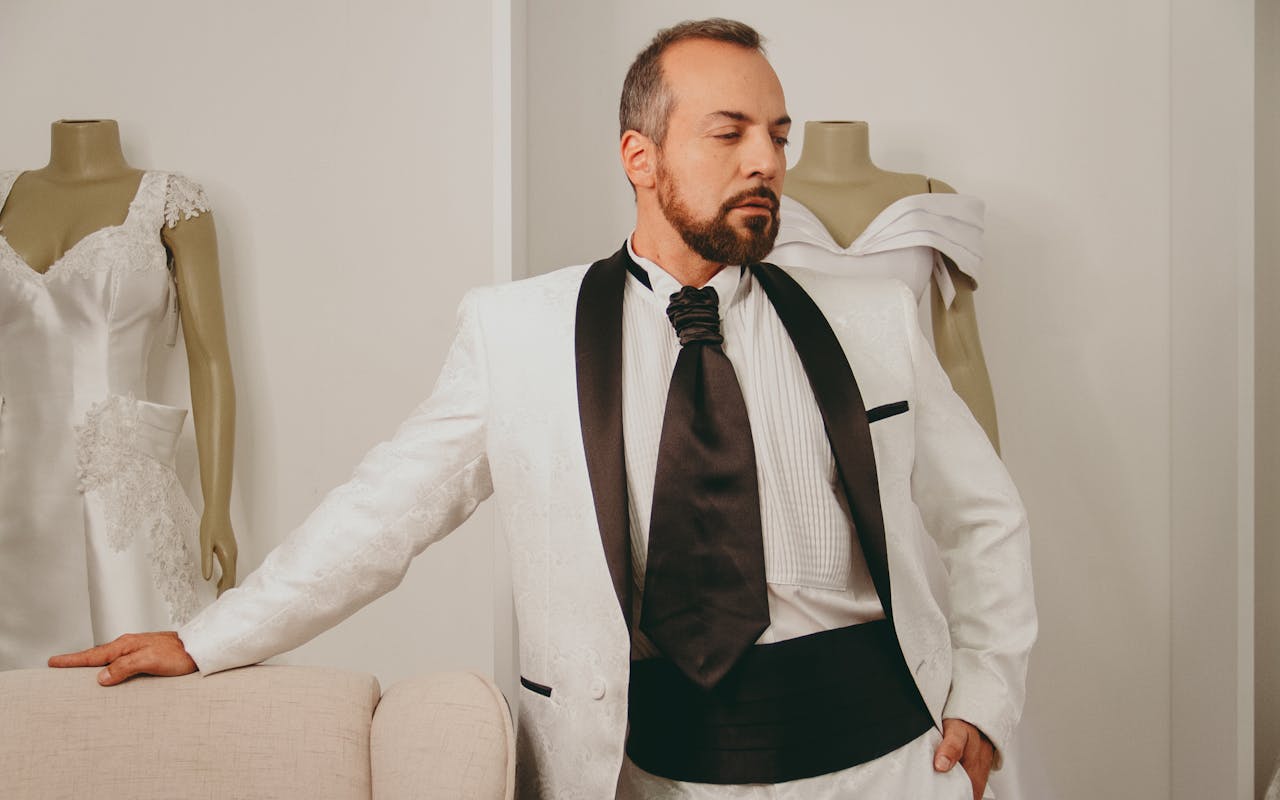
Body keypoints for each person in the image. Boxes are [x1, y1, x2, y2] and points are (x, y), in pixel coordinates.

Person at [52, 18, 1035, 800]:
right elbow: (382, 512)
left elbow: (982, 515)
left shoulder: (873, 320)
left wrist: (985, 699)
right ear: (638, 157)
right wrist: (208, 635)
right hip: (652, 769)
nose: (765, 161)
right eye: (727, 132)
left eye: (776, 134)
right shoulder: (516, 333)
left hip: (885, 764)